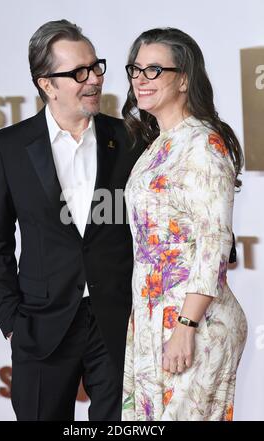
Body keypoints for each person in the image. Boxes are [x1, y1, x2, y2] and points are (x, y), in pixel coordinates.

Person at [0, 19, 142, 421]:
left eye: (96, 67)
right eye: (78, 73)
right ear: (46, 84)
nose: (94, 80)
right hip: (41, 327)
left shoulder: (129, 139)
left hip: (117, 324)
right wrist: (12, 323)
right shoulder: (9, 148)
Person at [121, 27, 247, 421]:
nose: (140, 79)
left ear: (184, 79)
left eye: (154, 69)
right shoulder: (158, 142)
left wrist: (186, 325)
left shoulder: (204, 144)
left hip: (193, 323)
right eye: (136, 69)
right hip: (151, 318)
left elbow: (213, 243)